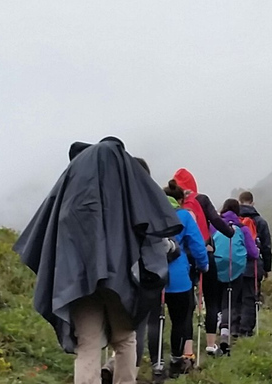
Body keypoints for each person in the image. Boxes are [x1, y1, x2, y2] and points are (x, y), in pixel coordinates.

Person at [14, 137, 182, 384]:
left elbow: (48, 240)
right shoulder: (126, 199)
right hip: (122, 283)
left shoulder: (70, 197)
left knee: (88, 345)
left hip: (79, 284)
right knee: (125, 340)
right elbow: (151, 236)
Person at [101, 158, 180, 384]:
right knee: (135, 332)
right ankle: (126, 375)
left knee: (112, 328)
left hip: (110, 276)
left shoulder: (110, 198)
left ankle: (111, 365)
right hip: (141, 278)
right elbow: (164, 244)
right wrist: (173, 248)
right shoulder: (150, 202)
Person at [147, 180, 209, 379]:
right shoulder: (184, 216)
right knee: (180, 320)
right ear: (180, 200)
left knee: (155, 321)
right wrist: (203, 265)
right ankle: (175, 358)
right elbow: (198, 245)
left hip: (153, 275)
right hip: (179, 278)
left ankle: (157, 363)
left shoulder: (151, 215)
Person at [172, 168, 234, 354]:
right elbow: (215, 220)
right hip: (205, 253)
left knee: (187, 305)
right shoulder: (202, 199)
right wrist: (230, 232)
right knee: (212, 299)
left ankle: (188, 350)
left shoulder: (176, 204)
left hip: (183, 257)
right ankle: (210, 344)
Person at [215, 199, 259, 352]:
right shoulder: (243, 228)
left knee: (215, 301)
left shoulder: (214, 225)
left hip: (215, 268)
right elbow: (253, 253)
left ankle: (212, 331)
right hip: (235, 270)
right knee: (229, 302)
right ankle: (225, 332)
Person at [236, 191, 272, 338]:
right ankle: (246, 329)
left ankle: (233, 327)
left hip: (234, 265)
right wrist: (267, 267)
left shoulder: (234, 220)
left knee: (236, 296)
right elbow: (266, 247)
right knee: (250, 297)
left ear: (239, 201)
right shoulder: (261, 222)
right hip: (253, 266)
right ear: (252, 202)